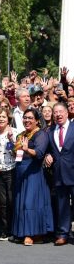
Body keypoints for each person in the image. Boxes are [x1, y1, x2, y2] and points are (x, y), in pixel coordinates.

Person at [12, 108, 53, 246]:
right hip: (21, 172)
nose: (27, 120)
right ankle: (22, 232)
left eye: (30, 118)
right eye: (25, 117)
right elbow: (17, 154)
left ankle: (33, 234)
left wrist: (27, 149)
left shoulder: (41, 134)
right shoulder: (22, 135)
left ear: (37, 120)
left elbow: (40, 153)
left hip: (34, 173)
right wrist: (13, 146)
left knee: (31, 203)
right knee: (21, 202)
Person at [45, 103, 74, 246]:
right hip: (59, 173)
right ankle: (63, 234)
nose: (58, 114)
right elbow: (48, 149)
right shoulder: (50, 131)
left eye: (61, 111)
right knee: (62, 205)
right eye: (55, 112)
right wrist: (48, 155)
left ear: (67, 113)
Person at [0, 108, 17, 240]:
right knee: (2, 202)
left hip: (12, 170)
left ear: (8, 119)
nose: (1, 119)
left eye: (3, 117)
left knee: (12, 200)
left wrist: (12, 140)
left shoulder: (15, 132)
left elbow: (17, 153)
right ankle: (5, 230)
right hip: (0, 171)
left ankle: (14, 229)